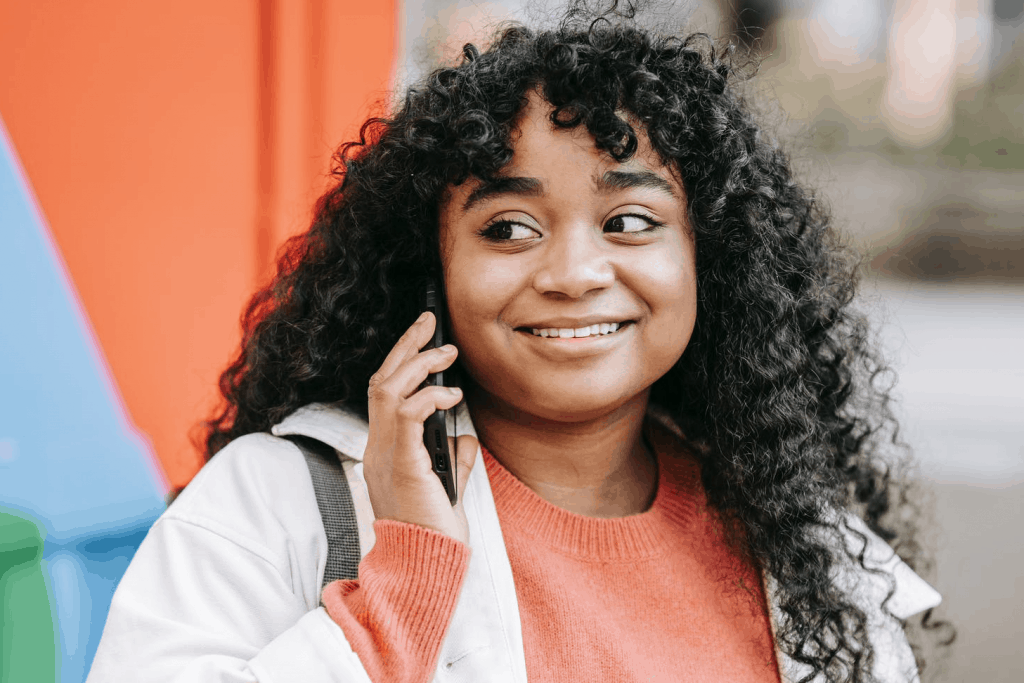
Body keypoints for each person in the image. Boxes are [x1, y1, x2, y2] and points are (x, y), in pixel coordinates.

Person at [87, 3, 949, 682]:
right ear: (429, 269)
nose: (575, 271)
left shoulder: (789, 528)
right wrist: (403, 585)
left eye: (631, 220)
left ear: (708, 263)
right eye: (507, 227)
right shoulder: (281, 503)